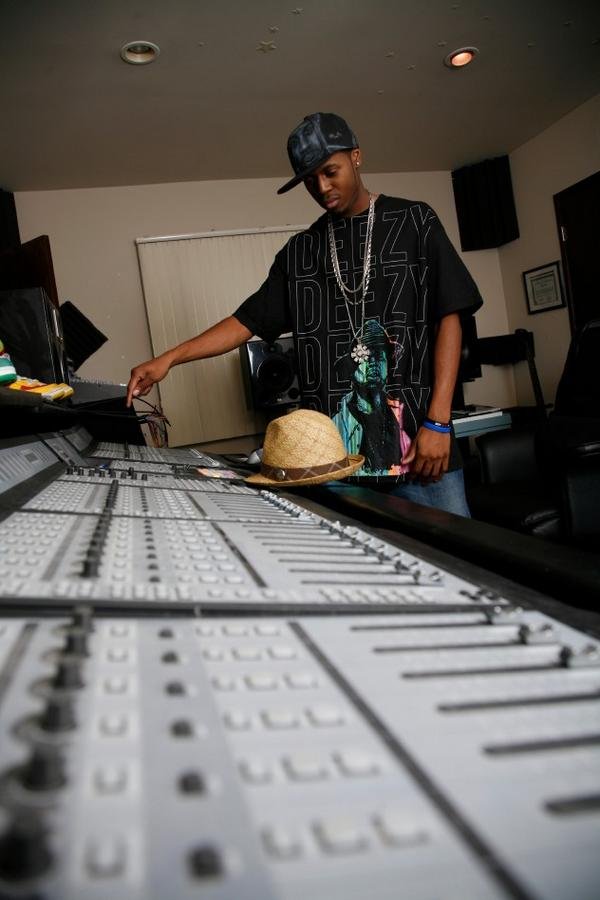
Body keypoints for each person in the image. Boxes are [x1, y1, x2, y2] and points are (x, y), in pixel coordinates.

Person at [127, 112, 483, 515]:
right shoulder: (300, 252)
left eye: (330, 172)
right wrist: (169, 358)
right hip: (332, 464)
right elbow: (245, 322)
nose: (322, 188)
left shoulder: (415, 221)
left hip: (421, 452)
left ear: (356, 156)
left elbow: (449, 316)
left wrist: (438, 422)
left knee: (455, 553)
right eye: (310, 181)